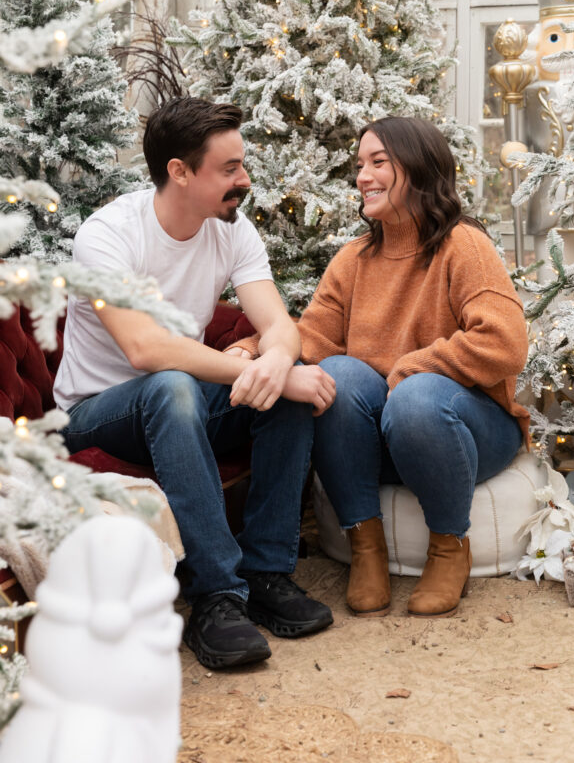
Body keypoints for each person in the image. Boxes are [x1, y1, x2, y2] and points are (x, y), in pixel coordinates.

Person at [54, 97, 336, 669]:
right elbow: (145, 348)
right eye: (229, 169)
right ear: (179, 172)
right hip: (94, 415)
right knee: (174, 384)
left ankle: (267, 575)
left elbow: (279, 324)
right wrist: (267, 369)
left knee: (277, 393)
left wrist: (278, 365)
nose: (245, 180)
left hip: (174, 404)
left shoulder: (230, 230)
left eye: (242, 165)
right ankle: (216, 597)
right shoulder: (106, 236)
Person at [230, 116, 530, 619]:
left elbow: (504, 342)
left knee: (417, 398)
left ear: (417, 169)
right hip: (387, 436)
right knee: (337, 377)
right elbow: (315, 335)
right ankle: (365, 546)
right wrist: (253, 347)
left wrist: (414, 368)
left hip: (470, 431)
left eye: (378, 163)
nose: (362, 176)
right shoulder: (354, 258)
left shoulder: (464, 244)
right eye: (359, 165)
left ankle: (449, 546)